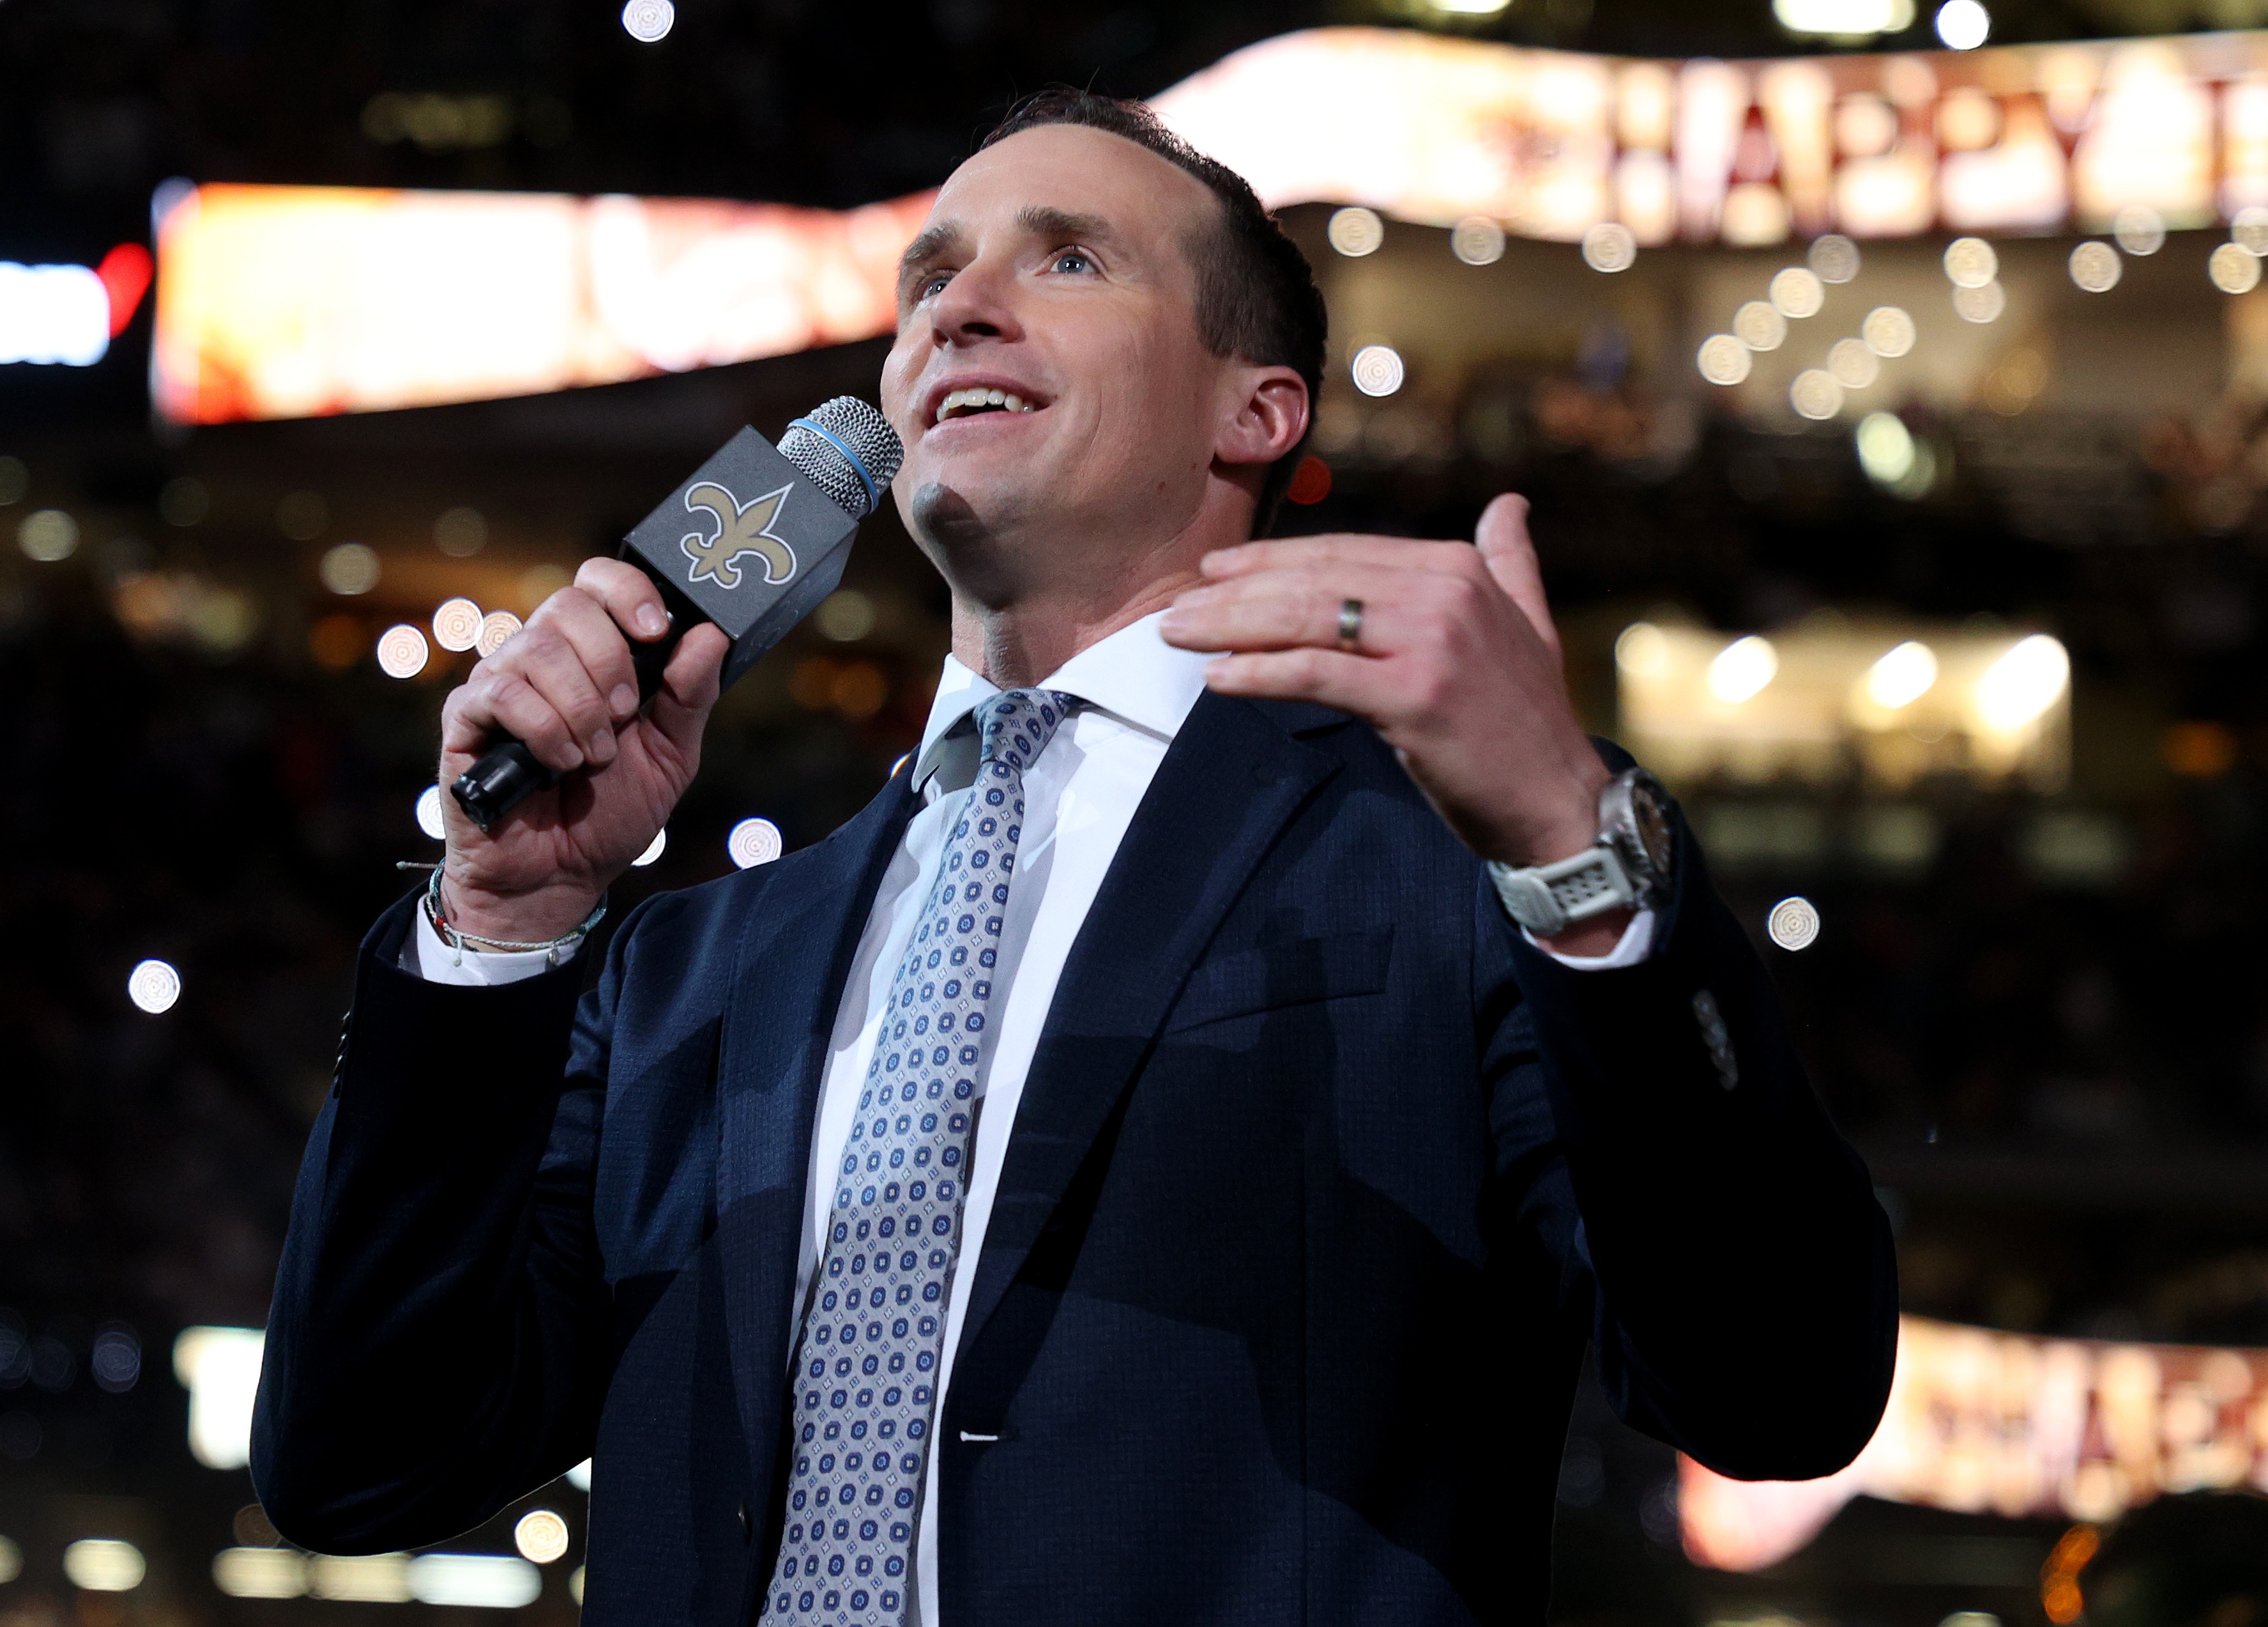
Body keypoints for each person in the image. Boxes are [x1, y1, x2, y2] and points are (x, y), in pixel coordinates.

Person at [252, 88, 1897, 1627]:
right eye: (927, 282)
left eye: (1067, 258)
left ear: (1254, 411)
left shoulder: (1449, 878)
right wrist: (501, 925)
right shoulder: (692, 967)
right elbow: (359, 1460)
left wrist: (1567, 847)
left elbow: (1779, 1389)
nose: (953, 311)